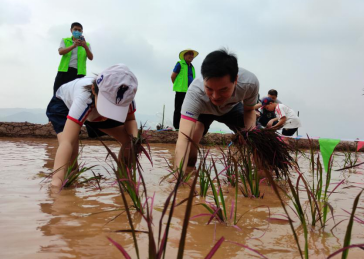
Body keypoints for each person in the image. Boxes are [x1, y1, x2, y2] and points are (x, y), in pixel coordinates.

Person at [46, 64, 138, 188]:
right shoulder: (83, 99)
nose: (106, 117)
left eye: (115, 109)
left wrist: (135, 140)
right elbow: (66, 142)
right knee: (72, 151)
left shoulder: (126, 97)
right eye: (107, 106)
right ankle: (67, 183)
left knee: (129, 143)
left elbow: (130, 120)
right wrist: (56, 184)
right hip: (63, 105)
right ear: (94, 90)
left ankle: (123, 179)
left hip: (94, 110)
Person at [174, 49, 259, 170]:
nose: (215, 96)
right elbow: (183, 138)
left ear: (235, 80)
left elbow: (249, 110)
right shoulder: (195, 93)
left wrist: (249, 134)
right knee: (192, 141)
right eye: (209, 88)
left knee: (259, 142)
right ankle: (189, 170)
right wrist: (178, 176)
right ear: (203, 80)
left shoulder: (249, 83)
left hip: (232, 109)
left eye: (223, 90)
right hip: (205, 109)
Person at [53, 22, 93, 95]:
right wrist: (74, 46)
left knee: (74, 95)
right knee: (57, 94)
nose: (77, 31)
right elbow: (61, 52)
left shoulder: (87, 44)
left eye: (79, 30)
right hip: (64, 72)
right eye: (75, 29)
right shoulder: (65, 40)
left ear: (82, 32)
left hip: (78, 74)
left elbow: (91, 57)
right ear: (71, 30)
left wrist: (85, 47)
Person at [171, 48, 199, 130]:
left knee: (188, 109)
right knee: (178, 108)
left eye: (192, 54)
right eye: (189, 54)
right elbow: (173, 76)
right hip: (180, 91)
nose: (191, 56)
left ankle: (185, 127)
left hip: (190, 92)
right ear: (184, 56)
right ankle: (177, 127)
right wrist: (178, 86)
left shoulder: (192, 67)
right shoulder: (180, 64)